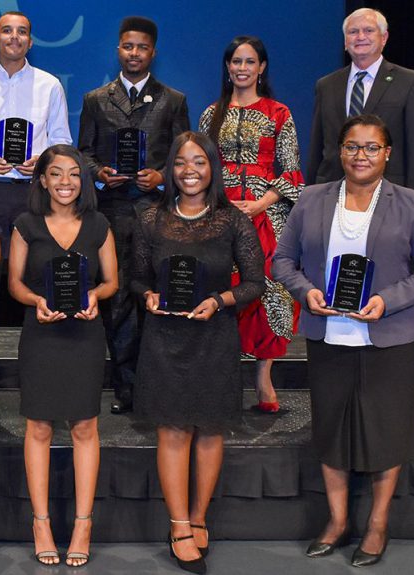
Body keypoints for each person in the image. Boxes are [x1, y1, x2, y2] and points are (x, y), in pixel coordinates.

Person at [272, 114, 414, 567]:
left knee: (386, 433)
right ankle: (336, 521)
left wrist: (387, 300)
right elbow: (283, 261)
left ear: (387, 154)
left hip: (388, 338)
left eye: (372, 147)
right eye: (352, 146)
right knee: (331, 431)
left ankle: (377, 523)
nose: (361, 155)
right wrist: (306, 292)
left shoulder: (410, 204)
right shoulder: (311, 200)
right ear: (340, 152)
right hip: (328, 336)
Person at [131, 132, 265, 573]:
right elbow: (136, 278)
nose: (190, 171)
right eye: (181, 163)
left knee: (209, 431)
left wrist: (220, 301)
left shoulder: (233, 221)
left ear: (213, 168)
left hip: (214, 336)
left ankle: (201, 516)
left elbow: (253, 283)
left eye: (200, 162)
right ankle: (179, 525)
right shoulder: (150, 218)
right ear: (170, 168)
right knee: (172, 431)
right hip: (164, 339)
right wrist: (149, 294)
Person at [0, 10, 73, 412]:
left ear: (30, 41)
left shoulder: (50, 86)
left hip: (33, 196)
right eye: (7, 31)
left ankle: (43, 384)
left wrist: (43, 159)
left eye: (22, 32)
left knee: (41, 288)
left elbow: (63, 144)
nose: (14, 38)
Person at [8, 145, 117, 566]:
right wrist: (36, 299)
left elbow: (112, 281)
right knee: (38, 427)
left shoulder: (99, 224)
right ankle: (41, 523)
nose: (66, 182)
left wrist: (94, 294)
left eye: (74, 174)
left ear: (83, 181)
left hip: (85, 335)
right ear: (42, 180)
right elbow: (14, 283)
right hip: (42, 334)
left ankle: (82, 524)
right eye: (57, 174)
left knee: (85, 427)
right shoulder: (25, 225)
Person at [78, 15, 190, 414]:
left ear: (153, 52)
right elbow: (84, 154)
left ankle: (158, 383)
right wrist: (100, 174)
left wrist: (162, 176)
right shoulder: (95, 99)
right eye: (128, 46)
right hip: (112, 212)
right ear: (118, 49)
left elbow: (184, 155)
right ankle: (127, 388)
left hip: (158, 211)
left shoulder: (173, 100)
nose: (134, 53)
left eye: (142, 47)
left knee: (157, 296)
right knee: (119, 299)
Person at [199, 36, 303, 414]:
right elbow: (201, 167)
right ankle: (221, 372)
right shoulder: (212, 114)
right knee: (220, 286)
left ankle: (263, 376)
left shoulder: (279, 113)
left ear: (261, 68)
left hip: (266, 213)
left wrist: (260, 203)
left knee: (272, 288)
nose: (241, 68)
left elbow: (291, 171)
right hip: (219, 211)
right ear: (228, 68)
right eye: (235, 62)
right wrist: (220, 203)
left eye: (249, 62)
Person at [307, 8, 414, 203]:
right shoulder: (326, 85)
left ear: (384, 38)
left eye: (368, 31)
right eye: (353, 32)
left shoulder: (409, 82)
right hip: (332, 194)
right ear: (345, 41)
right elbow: (317, 148)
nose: (360, 37)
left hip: (390, 197)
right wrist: (311, 197)